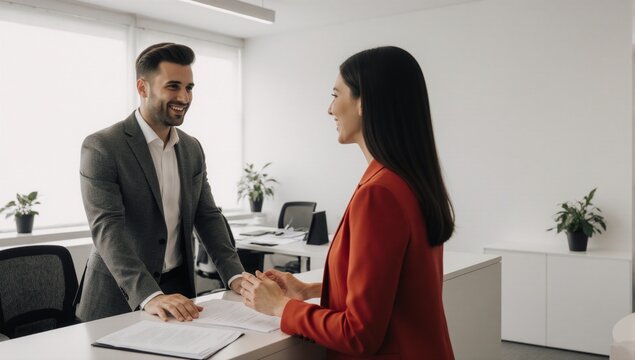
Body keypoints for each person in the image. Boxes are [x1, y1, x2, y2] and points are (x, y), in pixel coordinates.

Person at [240, 46, 456, 359]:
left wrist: (282, 307)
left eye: (335, 94)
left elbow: (359, 335)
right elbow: (395, 290)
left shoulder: (379, 194)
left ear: (363, 102)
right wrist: (309, 291)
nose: (329, 109)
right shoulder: (409, 180)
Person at [75, 42, 245, 323]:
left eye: (189, 88)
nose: (184, 97)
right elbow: (107, 229)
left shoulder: (192, 148)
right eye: (173, 86)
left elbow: (207, 216)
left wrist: (236, 275)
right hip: (120, 298)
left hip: (178, 291)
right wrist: (149, 295)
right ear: (143, 88)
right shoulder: (103, 146)